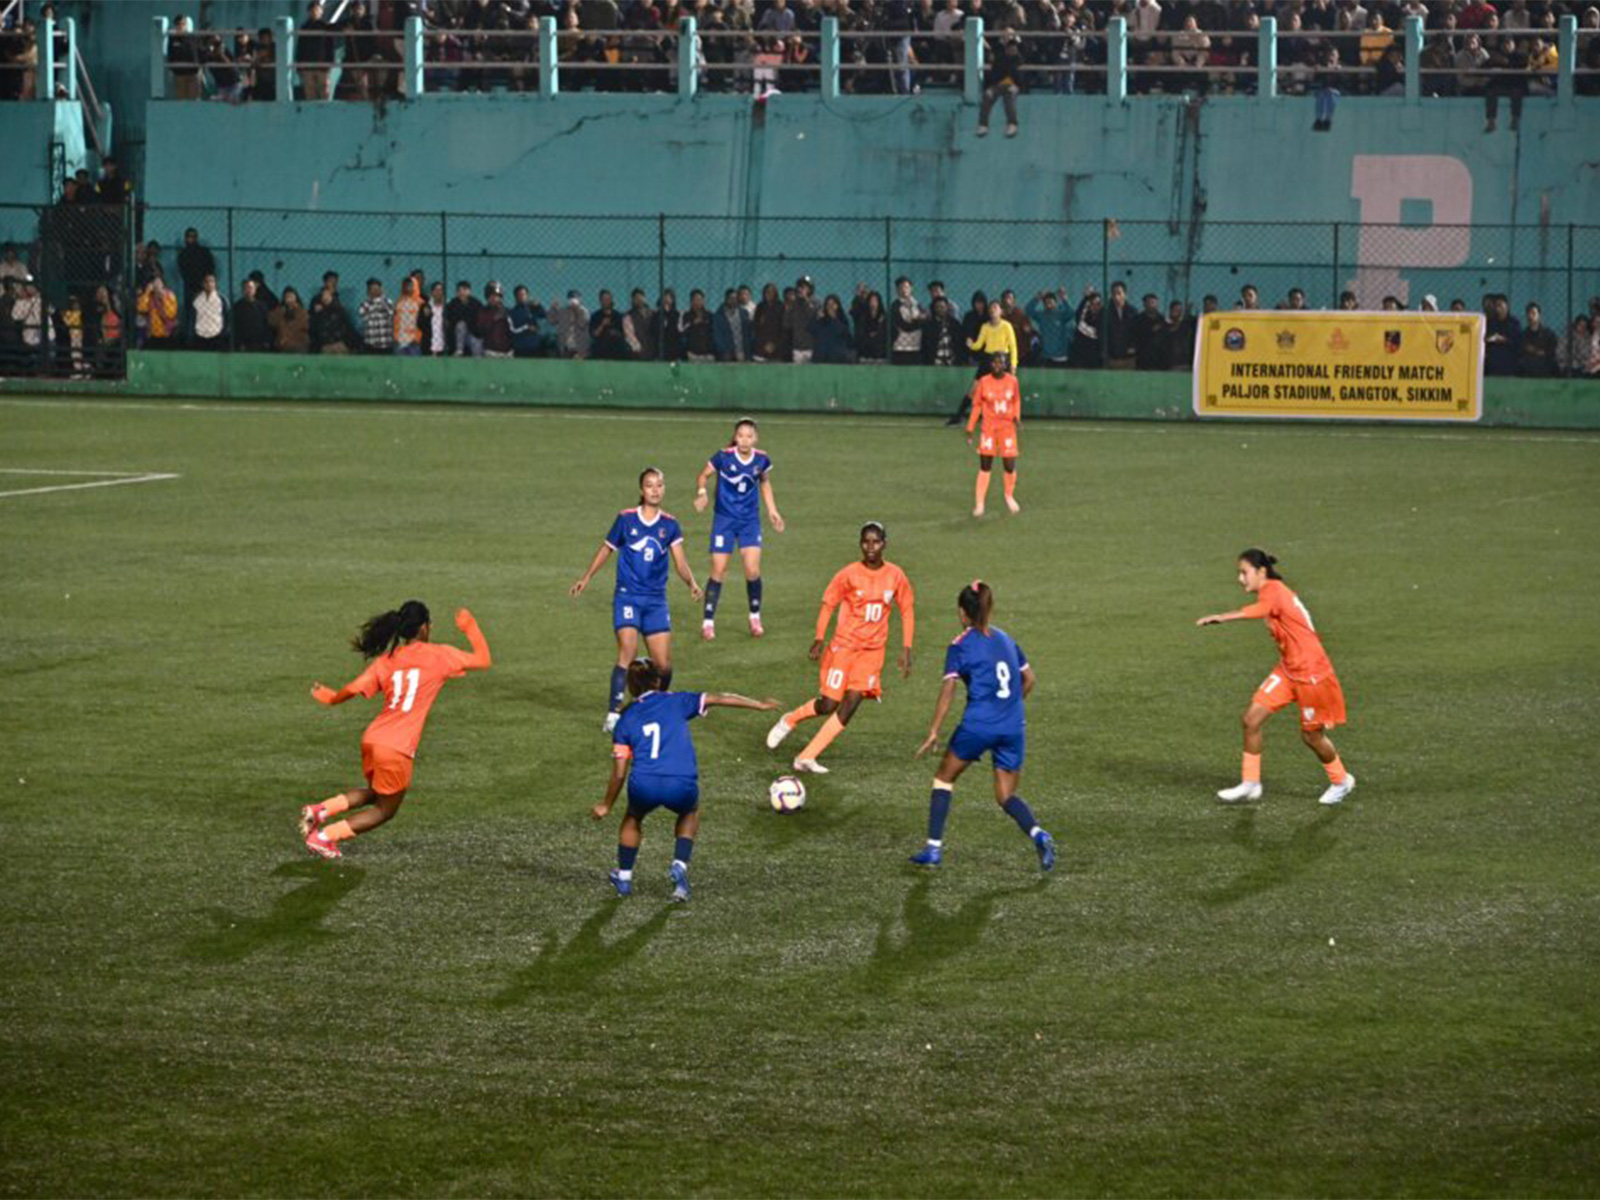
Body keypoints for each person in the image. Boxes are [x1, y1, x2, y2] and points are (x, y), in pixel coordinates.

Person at [301, 601, 491, 859]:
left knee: (378, 793)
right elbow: (483, 659)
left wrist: (332, 698)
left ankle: (320, 811)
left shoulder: (387, 660)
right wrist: (470, 627)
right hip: (397, 748)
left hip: (372, 739)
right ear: (424, 628)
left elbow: (356, 687)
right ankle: (325, 837)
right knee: (385, 810)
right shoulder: (441, 655)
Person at [592, 659, 780, 901]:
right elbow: (719, 697)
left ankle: (625, 878)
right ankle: (679, 864)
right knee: (689, 812)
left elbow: (619, 771)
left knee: (633, 817)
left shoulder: (626, 718)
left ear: (631, 687)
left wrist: (606, 804)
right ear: (658, 681)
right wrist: (760, 705)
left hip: (644, 783)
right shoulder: (678, 700)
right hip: (680, 783)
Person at [909, 580, 1056, 871]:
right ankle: (1038, 834)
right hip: (1013, 726)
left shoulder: (960, 645)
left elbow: (949, 688)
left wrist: (934, 729)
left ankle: (933, 849)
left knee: (944, 777)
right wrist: (1010, 708)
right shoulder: (1006, 639)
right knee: (1006, 796)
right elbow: (1030, 679)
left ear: (963, 613)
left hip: (978, 726)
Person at [1196, 549, 1356, 806]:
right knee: (1251, 720)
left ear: (1261, 571)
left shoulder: (1274, 590)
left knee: (1312, 737)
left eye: (1244, 572)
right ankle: (1251, 783)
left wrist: (1223, 617)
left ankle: (1341, 780)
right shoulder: (1270, 590)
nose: (1240, 578)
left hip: (1311, 675)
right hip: (1288, 670)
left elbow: (1262, 610)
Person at [766, 522, 915, 775]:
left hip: (872, 653)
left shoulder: (896, 575)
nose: (870, 547)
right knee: (828, 704)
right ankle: (790, 720)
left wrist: (907, 648)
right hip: (844, 647)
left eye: (876, 542)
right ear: (860, 544)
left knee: (851, 704)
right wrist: (819, 637)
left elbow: (907, 610)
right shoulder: (848, 574)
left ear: (885, 544)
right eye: (865, 542)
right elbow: (828, 603)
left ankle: (806, 756)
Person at [571, 468, 702, 733]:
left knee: (664, 664)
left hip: (655, 601)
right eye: (650, 485)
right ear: (642, 490)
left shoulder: (670, 524)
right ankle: (614, 713)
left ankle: (658, 706)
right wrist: (586, 577)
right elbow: (607, 548)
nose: (655, 490)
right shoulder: (626, 519)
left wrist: (692, 582)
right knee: (627, 652)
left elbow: (680, 561)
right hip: (627, 597)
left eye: (660, 485)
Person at [693, 418, 786, 641]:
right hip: (724, 520)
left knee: (752, 569)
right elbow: (703, 475)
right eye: (741, 435)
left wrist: (773, 510)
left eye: (749, 435)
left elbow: (764, 483)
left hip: (749, 521)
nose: (745, 439)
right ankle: (708, 621)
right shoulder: (723, 456)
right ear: (735, 437)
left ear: (755, 438)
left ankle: (754, 616)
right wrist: (702, 493)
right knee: (718, 569)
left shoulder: (761, 459)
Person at [966, 351, 1022, 517]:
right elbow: (976, 405)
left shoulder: (1013, 381)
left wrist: (1017, 417)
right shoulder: (984, 382)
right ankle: (980, 504)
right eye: (994, 363)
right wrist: (970, 428)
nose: (997, 365)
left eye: (1001, 362)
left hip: (1007, 428)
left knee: (1009, 465)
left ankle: (1009, 495)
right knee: (985, 465)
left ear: (1006, 365)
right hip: (989, 428)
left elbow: (1016, 400)